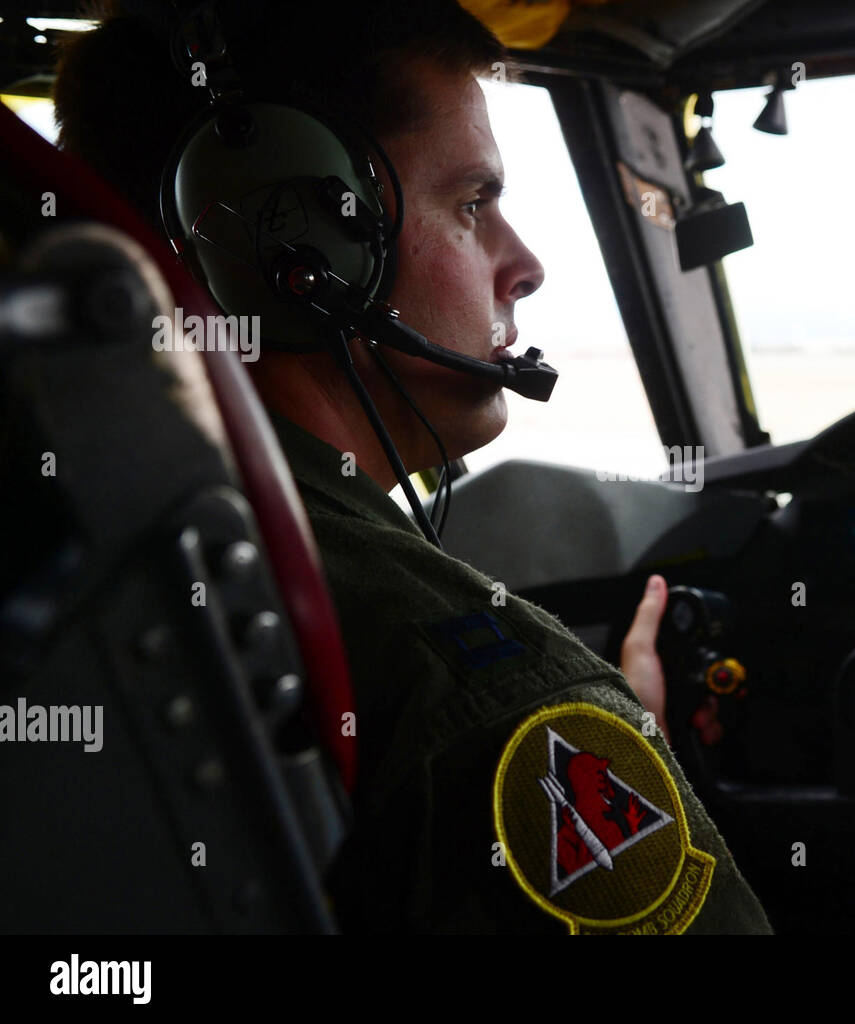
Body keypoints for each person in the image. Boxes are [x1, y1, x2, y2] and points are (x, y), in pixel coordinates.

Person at [54, 0, 768, 933]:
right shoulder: (493, 703)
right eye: (473, 203)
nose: (526, 266)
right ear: (298, 250)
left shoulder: (80, 523)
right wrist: (607, 755)